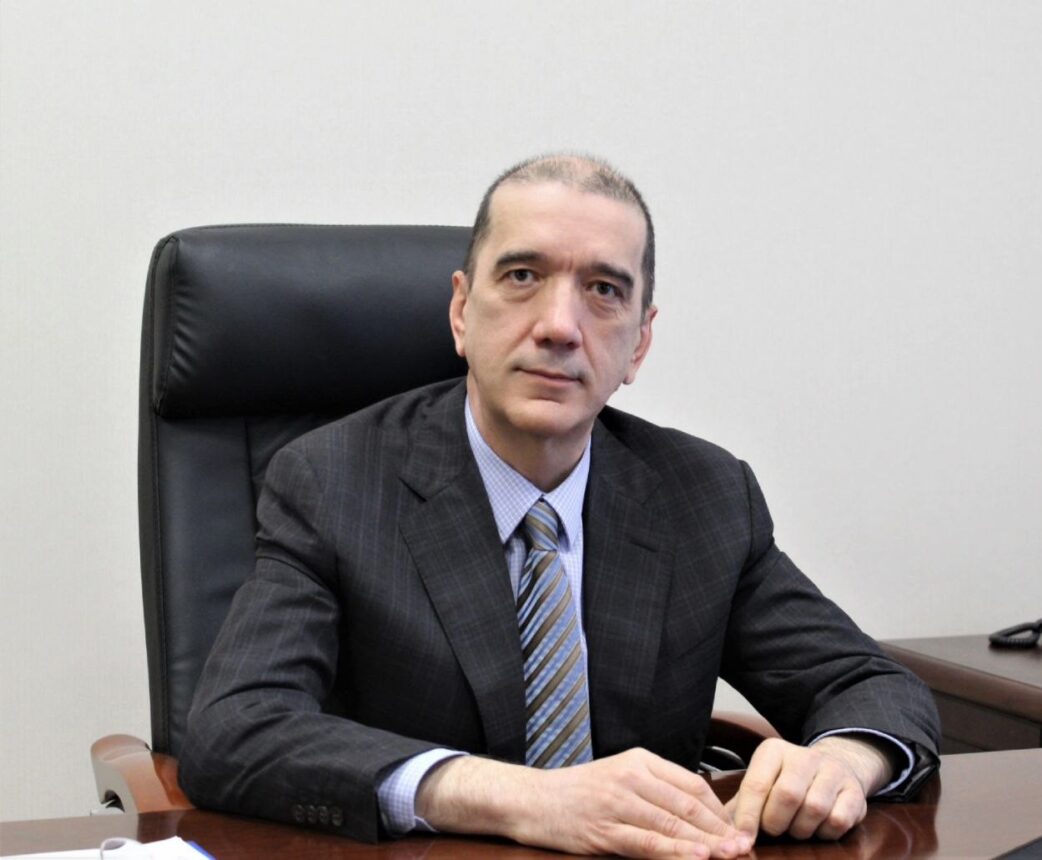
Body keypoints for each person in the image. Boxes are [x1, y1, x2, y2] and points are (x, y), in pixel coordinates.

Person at [179, 154, 939, 859]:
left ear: (639, 343)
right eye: (522, 276)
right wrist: (523, 799)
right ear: (461, 311)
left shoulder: (702, 496)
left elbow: (873, 686)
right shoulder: (333, 482)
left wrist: (841, 763)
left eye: (604, 291)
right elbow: (235, 730)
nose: (559, 327)